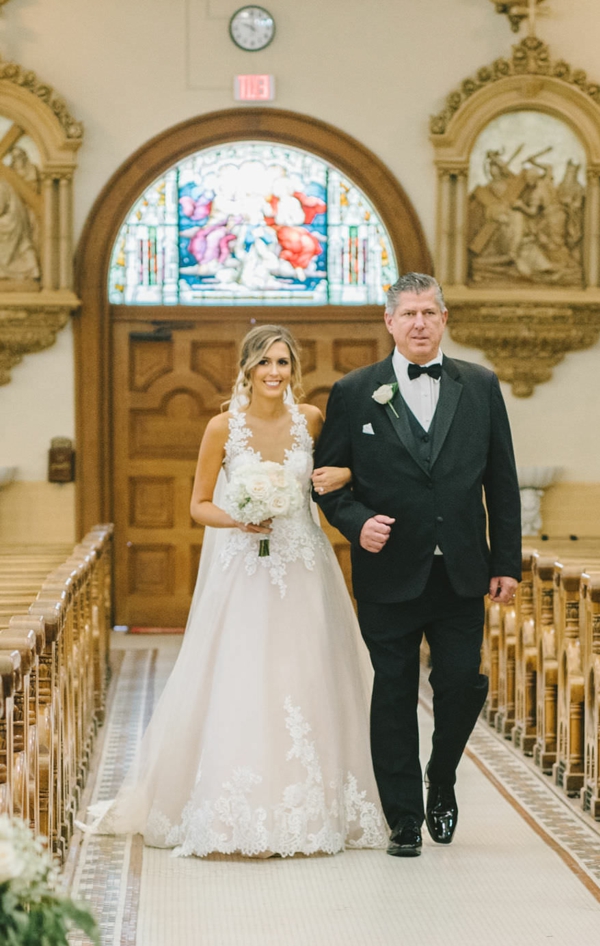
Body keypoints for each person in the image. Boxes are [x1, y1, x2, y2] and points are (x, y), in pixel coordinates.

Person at [84, 324, 386, 858]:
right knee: (245, 674)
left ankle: (316, 810)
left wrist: (339, 477)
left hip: (303, 566)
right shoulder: (223, 427)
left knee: (307, 671)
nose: (275, 372)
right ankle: (238, 811)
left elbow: (339, 477)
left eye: (284, 363)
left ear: (294, 369)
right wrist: (238, 518)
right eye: (265, 362)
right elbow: (199, 504)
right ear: (247, 368)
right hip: (245, 568)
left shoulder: (312, 421)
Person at [314, 273, 521, 857]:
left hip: (461, 569)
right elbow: (327, 482)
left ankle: (443, 778)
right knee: (393, 692)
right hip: (389, 572)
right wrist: (356, 523)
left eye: (429, 312)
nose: (420, 323)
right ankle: (402, 816)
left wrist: (506, 561)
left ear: (445, 318)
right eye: (408, 314)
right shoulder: (356, 391)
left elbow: (502, 482)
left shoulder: (478, 385)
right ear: (389, 322)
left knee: (461, 684)